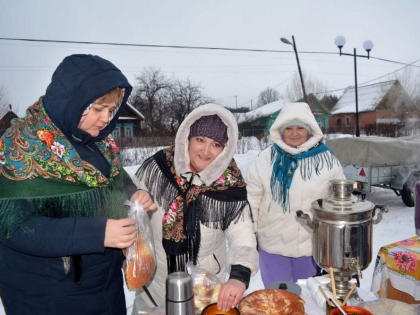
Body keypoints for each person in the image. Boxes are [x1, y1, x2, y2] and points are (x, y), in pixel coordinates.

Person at [0, 54, 140, 315]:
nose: (106, 119)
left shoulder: (98, 144)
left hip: (104, 287)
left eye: (111, 111)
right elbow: (16, 228)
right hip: (48, 295)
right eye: (98, 109)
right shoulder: (20, 148)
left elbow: (117, 180)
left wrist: (135, 193)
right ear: (72, 101)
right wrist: (98, 233)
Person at [131, 104, 258, 312]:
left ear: (225, 150)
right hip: (156, 281)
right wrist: (136, 198)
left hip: (205, 289)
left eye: (216, 144)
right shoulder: (158, 168)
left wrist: (239, 276)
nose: (206, 151)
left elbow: (243, 236)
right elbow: (127, 207)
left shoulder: (231, 185)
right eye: (200, 140)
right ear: (187, 138)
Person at [246, 102, 345, 286]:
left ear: (310, 130)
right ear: (280, 130)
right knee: (278, 299)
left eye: (300, 128)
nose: (294, 133)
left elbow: (339, 202)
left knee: (310, 301)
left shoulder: (327, 160)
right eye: (289, 128)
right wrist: (250, 236)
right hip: (272, 245)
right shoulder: (265, 159)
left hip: (312, 247)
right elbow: (252, 201)